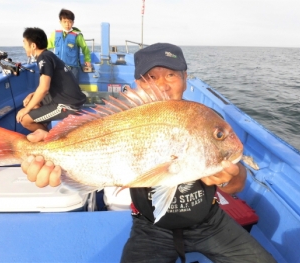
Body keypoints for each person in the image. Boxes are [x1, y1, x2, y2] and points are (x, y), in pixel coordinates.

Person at [21, 43, 276, 263]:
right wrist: (49, 149)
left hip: (209, 223)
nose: (162, 85)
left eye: (171, 75)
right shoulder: (129, 116)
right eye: (151, 78)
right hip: (150, 228)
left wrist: (230, 177)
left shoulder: (206, 121)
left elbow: (236, 184)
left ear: (186, 78)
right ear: (139, 84)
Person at [16, 27, 86, 132]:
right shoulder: (48, 55)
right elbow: (47, 86)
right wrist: (32, 95)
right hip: (69, 98)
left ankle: (49, 140)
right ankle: (45, 128)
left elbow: (44, 89)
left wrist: (26, 110)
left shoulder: (44, 58)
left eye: (25, 43)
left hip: (67, 104)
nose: (23, 46)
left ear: (33, 45)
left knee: (25, 120)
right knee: (31, 101)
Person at [47, 9, 92, 81]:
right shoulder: (55, 34)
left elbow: (85, 48)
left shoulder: (77, 35)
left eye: (70, 22)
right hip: (58, 67)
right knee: (58, 87)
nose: (67, 24)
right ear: (60, 22)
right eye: (65, 22)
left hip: (73, 68)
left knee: (73, 88)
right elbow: (47, 45)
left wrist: (87, 60)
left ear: (73, 23)